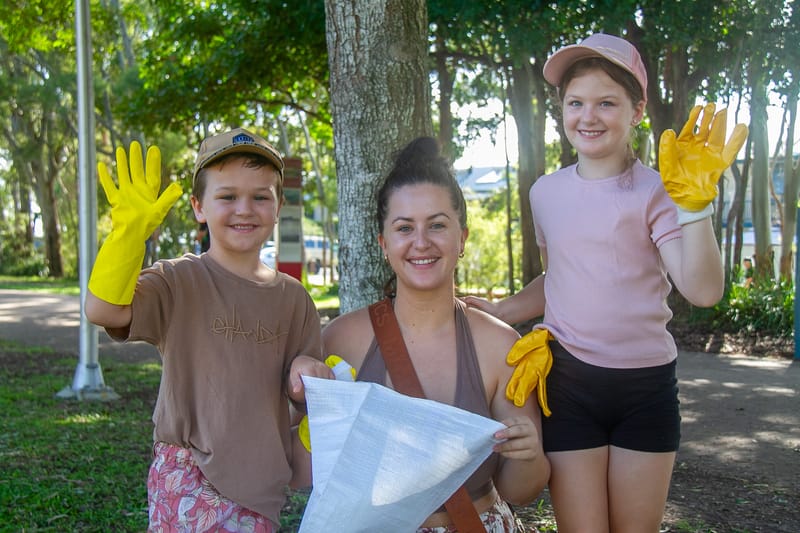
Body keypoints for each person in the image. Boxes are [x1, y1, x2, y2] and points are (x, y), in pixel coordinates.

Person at [463, 34, 747, 532]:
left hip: (646, 389)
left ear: (637, 111)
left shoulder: (663, 189)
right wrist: (500, 310)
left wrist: (695, 207)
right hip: (570, 386)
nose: (588, 116)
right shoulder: (545, 193)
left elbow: (702, 291)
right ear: (561, 109)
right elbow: (560, 275)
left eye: (607, 103)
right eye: (575, 102)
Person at [84, 128, 331, 532]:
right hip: (186, 477)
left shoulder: (295, 298)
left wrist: (307, 373)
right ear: (198, 207)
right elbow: (103, 310)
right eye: (227, 196)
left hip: (260, 484)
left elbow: (302, 392)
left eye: (260, 197)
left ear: (279, 206)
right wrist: (127, 236)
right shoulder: (177, 280)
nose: (244, 209)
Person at [321, 136, 550, 532]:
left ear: (462, 238)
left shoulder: (501, 346)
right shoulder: (341, 341)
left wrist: (528, 455)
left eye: (437, 225)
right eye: (404, 228)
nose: (421, 242)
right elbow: (305, 464)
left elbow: (520, 490)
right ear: (384, 244)